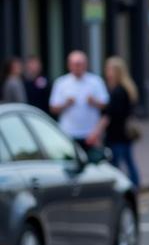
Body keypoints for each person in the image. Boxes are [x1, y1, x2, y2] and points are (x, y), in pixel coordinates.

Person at [88, 56, 141, 186]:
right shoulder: (124, 89)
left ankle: (126, 187)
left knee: (116, 163)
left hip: (117, 134)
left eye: (109, 69)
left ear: (117, 71)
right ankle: (134, 184)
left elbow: (110, 114)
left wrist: (96, 132)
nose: (107, 72)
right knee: (128, 161)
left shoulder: (118, 91)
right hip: (123, 133)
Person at [49, 50, 109, 148]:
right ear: (69, 65)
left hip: (91, 133)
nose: (77, 67)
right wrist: (66, 104)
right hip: (68, 133)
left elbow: (106, 105)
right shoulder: (61, 82)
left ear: (86, 64)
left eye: (80, 64)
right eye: (75, 64)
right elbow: (53, 108)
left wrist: (94, 102)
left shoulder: (96, 81)